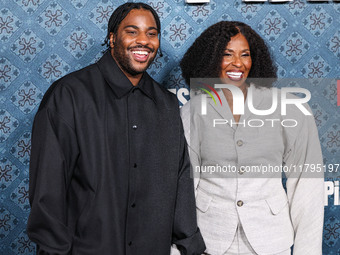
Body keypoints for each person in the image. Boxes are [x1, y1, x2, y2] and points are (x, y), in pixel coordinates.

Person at [27, 3, 205, 255]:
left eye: (152, 33)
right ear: (112, 38)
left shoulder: (165, 103)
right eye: (132, 31)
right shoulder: (69, 95)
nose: (143, 40)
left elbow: (180, 180)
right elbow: (48, 189)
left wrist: (189, 246)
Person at [179, 21, 324, 255]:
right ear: (211, 58)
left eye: (245, 54)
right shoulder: (193, 111)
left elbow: (308, 187)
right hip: (210, 241)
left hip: (271, 241)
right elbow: (183, 187)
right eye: (227, 54)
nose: (238, 63)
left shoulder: (289, 109)